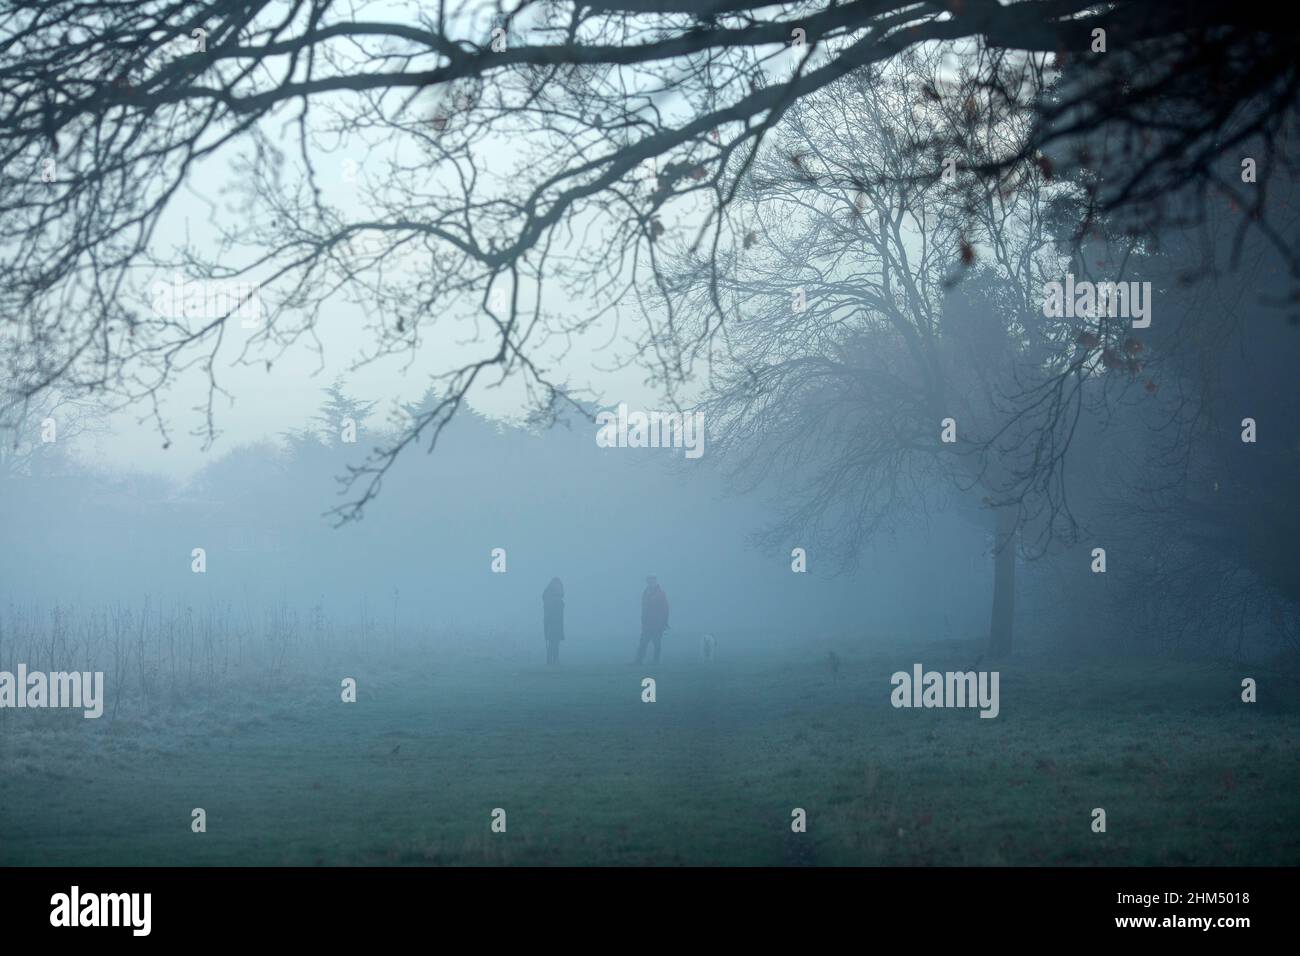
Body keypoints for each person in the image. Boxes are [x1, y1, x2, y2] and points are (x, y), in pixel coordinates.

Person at [635, 576, 669, 664]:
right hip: (647, 623)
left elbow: (665, 608)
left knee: (656, 643)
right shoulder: (645, 593)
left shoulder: (661, 593)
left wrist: (665, 622)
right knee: (643, 643)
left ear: (655, 581)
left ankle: (656, 661)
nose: (650, 583)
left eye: (652, 581)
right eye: (649, 581)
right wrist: (643, 619)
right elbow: (644, 607)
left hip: (658, 623)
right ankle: (638, 661)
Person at [542, 577, 564, 665]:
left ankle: (553, 659)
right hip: (552, 621)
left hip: (555, 621)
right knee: (553, 640)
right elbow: (549, 609)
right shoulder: (551, 597)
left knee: (555, 640)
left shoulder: (551, 596)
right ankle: (552, 659)